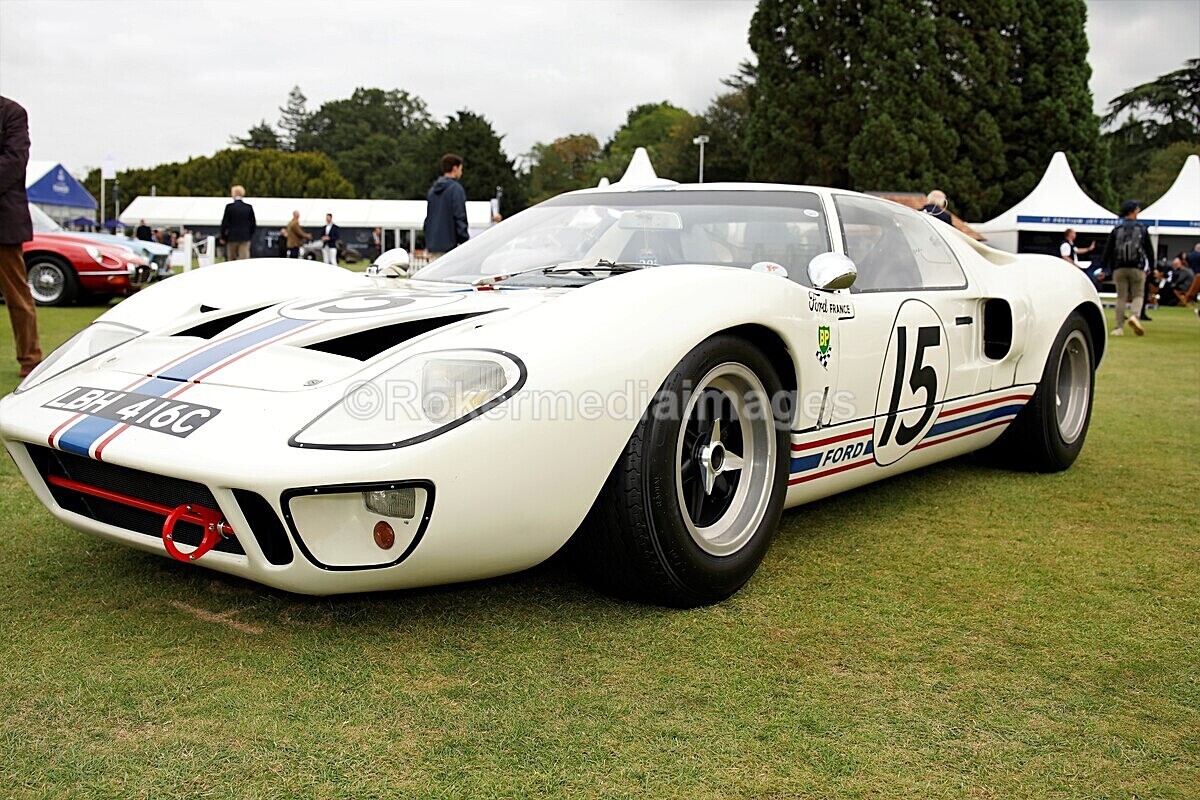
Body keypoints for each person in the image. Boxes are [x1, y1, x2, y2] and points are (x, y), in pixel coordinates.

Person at [0, 96, 43, 378]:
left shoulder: (12, 113)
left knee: (17, 296)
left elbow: (14, 163)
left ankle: (31, 362)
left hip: (3, 223)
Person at [1097, 199, 1154, 336]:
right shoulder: (1142, 228)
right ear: (1133, 211)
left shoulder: (1117, 229)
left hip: (1119, 268)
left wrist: (1103, 268)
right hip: (1137, 268)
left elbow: (1108, 250)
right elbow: (1149, 250)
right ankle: (1135, 315)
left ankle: (1119, 327)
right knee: (1138, 295)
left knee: (1121, 297)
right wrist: (1152, 266)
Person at [423, 153, 469, 260]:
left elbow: (428, 220)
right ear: (455, 168)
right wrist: (464, 241)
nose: (461, 173)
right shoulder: (456, 189)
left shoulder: (432, 191)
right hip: (450, 248)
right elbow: (460, 217)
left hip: (433, 246)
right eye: (460, 169)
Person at [219, 184, 256, 261]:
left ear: (234, 193)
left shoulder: (229, 207)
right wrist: (249, 234)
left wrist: (223, 237)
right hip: (245, 237)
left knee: (231, 259)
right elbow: (253, 223)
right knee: (244, 259)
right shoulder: (248, 207)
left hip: (232, 237)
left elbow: (225, 223)